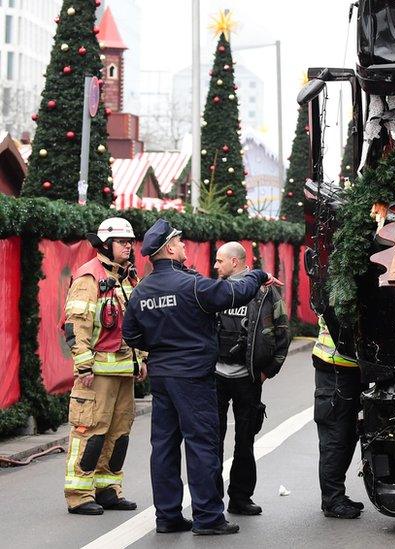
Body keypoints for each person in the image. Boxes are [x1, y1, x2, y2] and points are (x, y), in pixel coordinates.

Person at [122, 219, 282, 536]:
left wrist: (161, 346)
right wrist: (259, 274)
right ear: (169, 248)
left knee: (164, 445)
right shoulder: (192, 285)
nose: (184, 246)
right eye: (180, 242)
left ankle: (167, 516)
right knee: (202, 443)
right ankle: (208, 517)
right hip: (193, 376)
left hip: (162, 376)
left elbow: (131, 334)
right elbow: (235, 292)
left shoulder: (141, 291)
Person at [62, 217, 146, 516]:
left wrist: (141, 359)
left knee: (119, 433)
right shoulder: (89, 277)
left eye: (130, 241)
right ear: (106, 245)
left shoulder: (128, 277)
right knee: (90, 431)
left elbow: (136, 325)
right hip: (96, 374)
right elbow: (76, 326)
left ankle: (108, 489)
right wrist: (83, 366)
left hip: (124, 371)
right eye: (123, 242)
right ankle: (79, 494)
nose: (129, 246)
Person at [212, 242, 290, 516]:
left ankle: (240, 498)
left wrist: (269, 370)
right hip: (216, 378)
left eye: (220, 261)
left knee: (245, 441)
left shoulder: (265, 292)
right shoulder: (215, 290)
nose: (215, 266)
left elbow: (282, 332)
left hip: (249, 379)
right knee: (212, 441)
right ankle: (211, 501)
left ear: (235, 262)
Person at [313, 314, 365, 519]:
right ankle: (332, 499)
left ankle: (337, 495)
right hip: (334, 367)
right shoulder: (338, 288)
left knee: (349, 435)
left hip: (350, 368)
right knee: (335, 437)